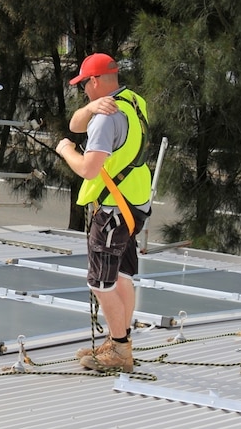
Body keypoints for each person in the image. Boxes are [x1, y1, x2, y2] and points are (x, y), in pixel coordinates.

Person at [55, 53, 152, 372]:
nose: (83, 90)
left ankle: (120, 351)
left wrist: (66, 149)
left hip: (112, 208)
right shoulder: (132, 101)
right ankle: (117, 338)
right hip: (134, 202)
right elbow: (75, 122)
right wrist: (89, 109)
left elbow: (89, 169)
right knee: (123, 275)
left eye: (84, 85)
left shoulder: (107, 119)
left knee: (101, 281)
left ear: (94, 81)